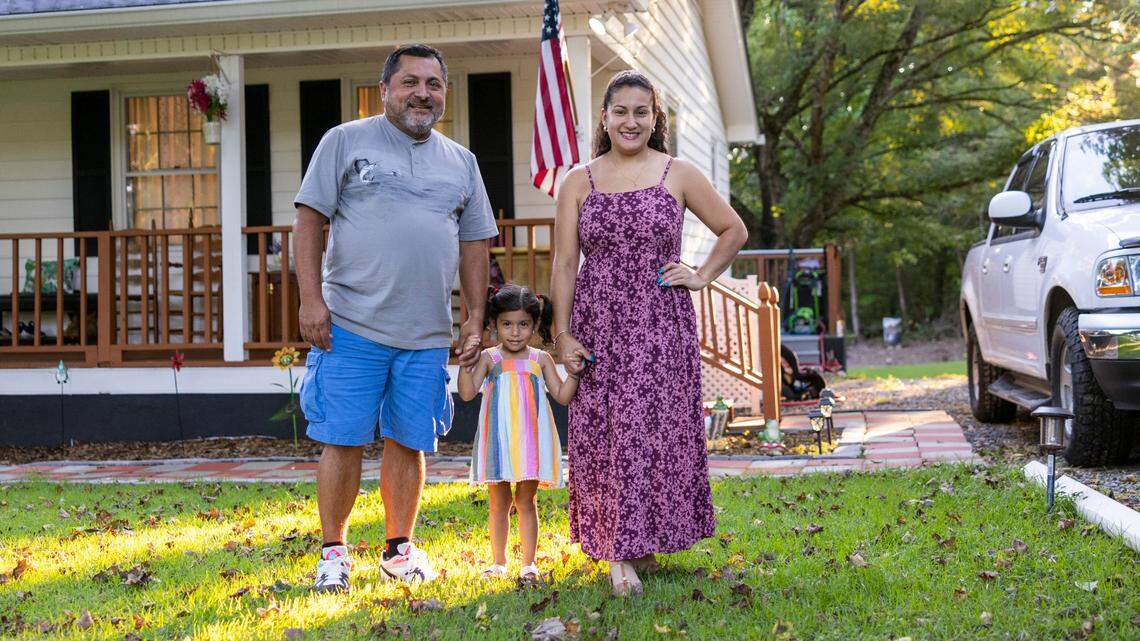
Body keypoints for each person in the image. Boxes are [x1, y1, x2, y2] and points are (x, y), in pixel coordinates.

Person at [293, 43, 498, 592]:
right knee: (343, 438)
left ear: (444, 94)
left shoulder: (462, 162)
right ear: (384, 89)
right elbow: (309, 222)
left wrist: (474, 319)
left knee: (410, 440)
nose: (422, 93)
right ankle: (333, 551)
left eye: (433, 84)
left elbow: (476, 241)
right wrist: (311, 301)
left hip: (427, 332)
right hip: (351, 324)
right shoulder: (344, 141)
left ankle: (398, 549)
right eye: (410, 82)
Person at [549, 70, 749, 596]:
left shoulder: (677, 173)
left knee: (656, 430)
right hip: (600, 323)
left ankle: (644, 542)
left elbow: (734, 229)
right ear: (605, 117)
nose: (631, 121)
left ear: (655, 118)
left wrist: (702, 275)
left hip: (662, 323)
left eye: (642, 111)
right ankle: (617, 550)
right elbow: (566, 262)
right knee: (610, 431)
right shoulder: (579, 180)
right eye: (621, 111)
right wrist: (562, 333)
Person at [458, 284, 577, 582]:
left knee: (526, 500)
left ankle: (528, 564)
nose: (514, 332)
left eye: (523, 324)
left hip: (531, 442)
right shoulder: (489, 358)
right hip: (498, 440)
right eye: (507, 324)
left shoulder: (540, 359)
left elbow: (562, 396)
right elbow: (468, 392)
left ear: (535, 325)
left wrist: (574, 373)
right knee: (498, 502)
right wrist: (464, 364)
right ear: (495, 325)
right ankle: (498, 562)